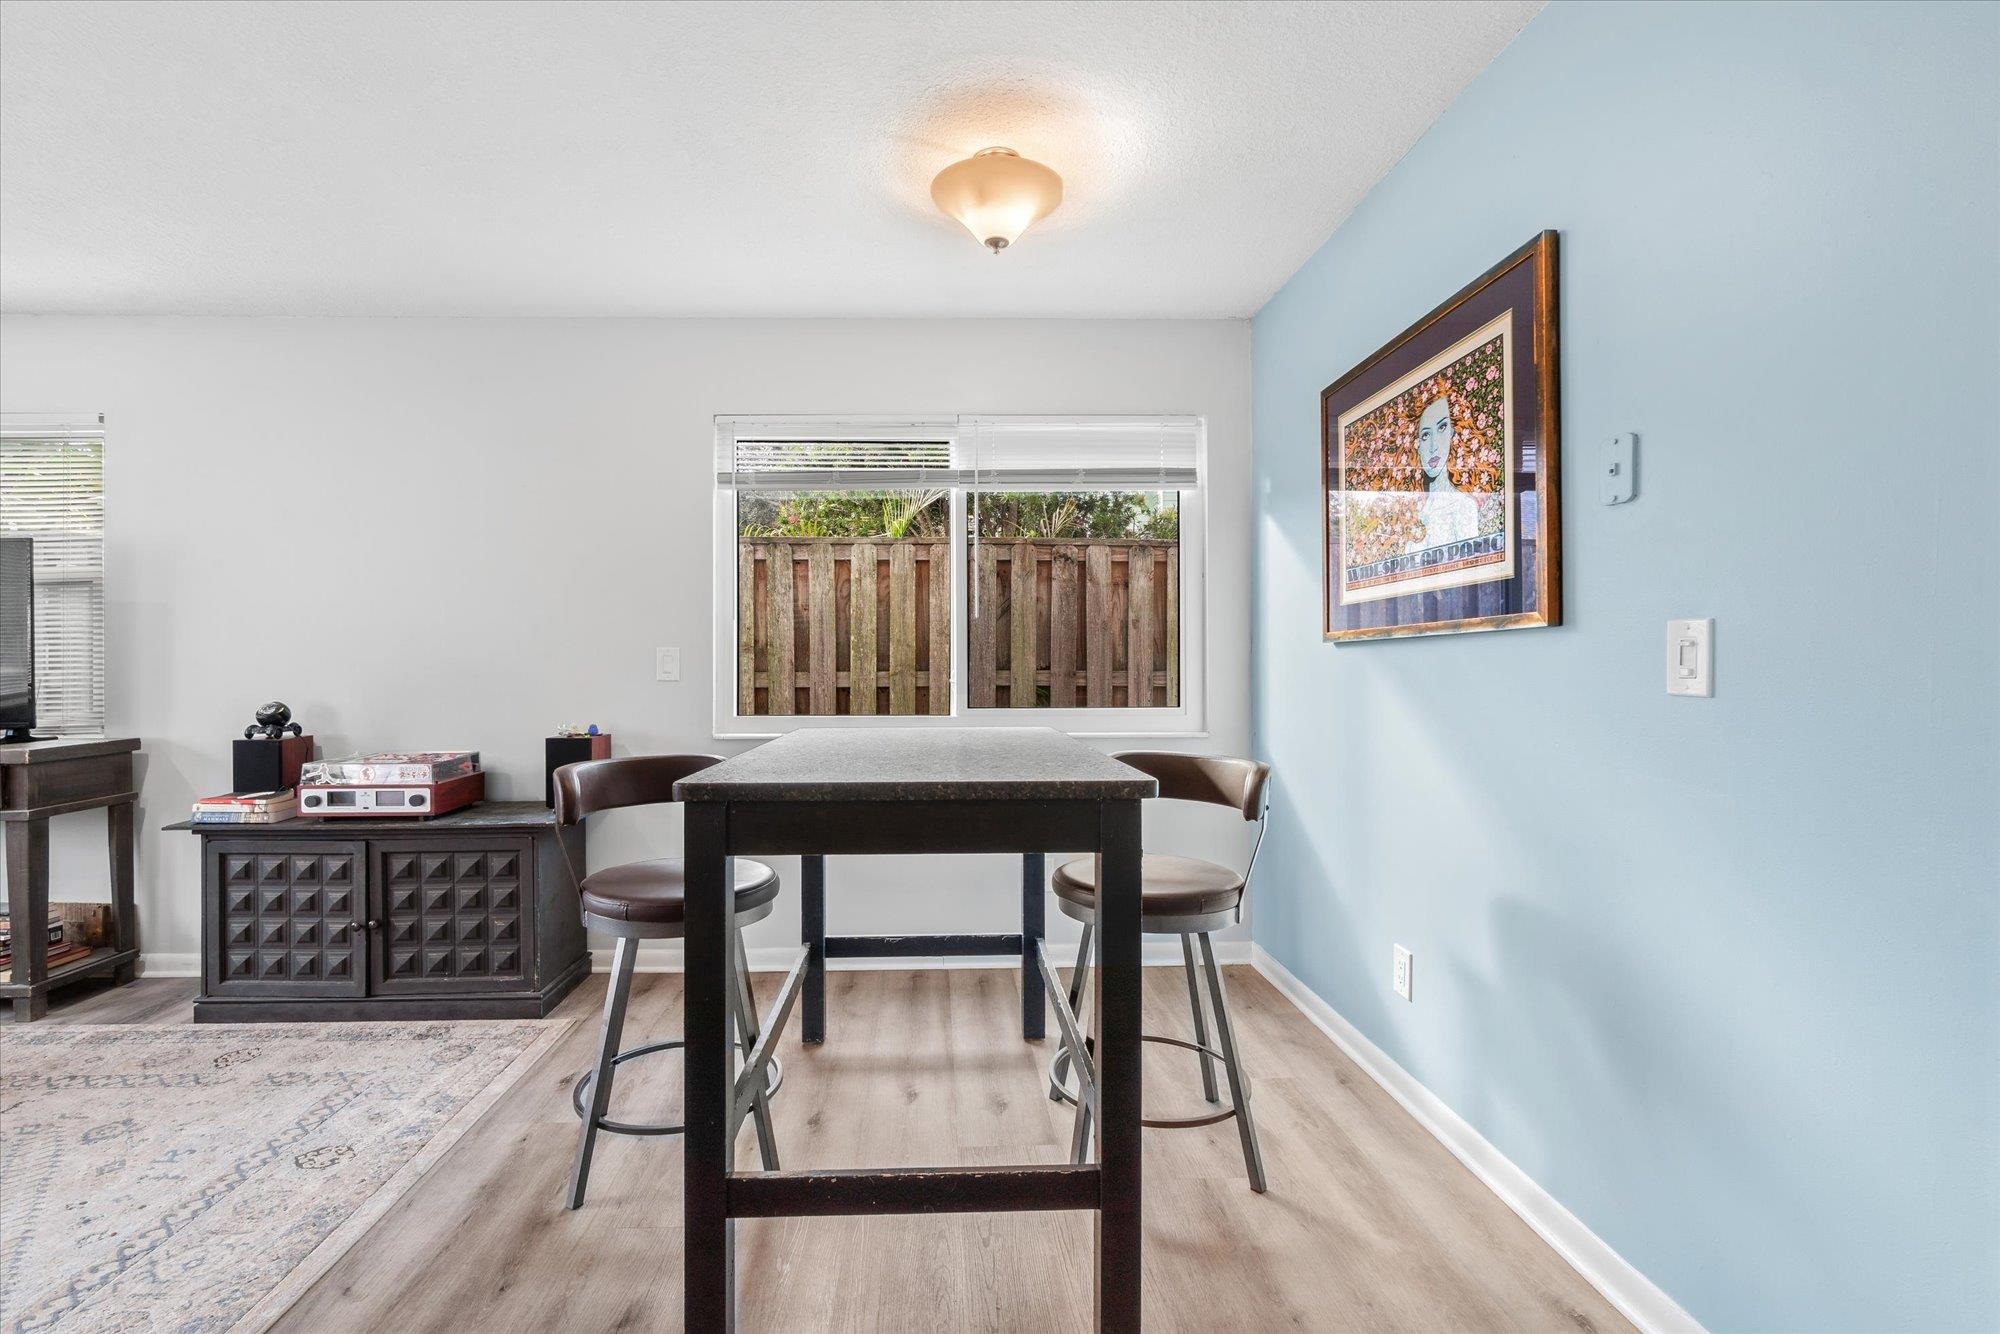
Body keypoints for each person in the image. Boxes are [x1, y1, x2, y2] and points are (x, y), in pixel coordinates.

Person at [1406, 394, 1477, 552]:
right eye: (1425, 435)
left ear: (1453, 432)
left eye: (1442, 428)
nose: (1433, 446)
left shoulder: (1463, 506)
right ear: (1417, 445)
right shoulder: (1417, 512)